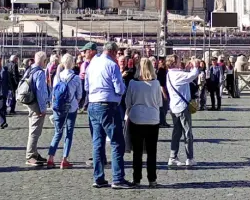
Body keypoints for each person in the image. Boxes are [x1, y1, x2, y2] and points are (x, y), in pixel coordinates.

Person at [85, 41, 131, 188]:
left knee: (97, 143)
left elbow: (86, 86)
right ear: (112, 52)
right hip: (108, 105)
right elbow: (119, 89)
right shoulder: (112, 65)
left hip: (93, 104)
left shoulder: (92, 63)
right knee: (117, 141)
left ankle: (98, 177)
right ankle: (117, 178)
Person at [124, 58, 163, 186]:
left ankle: (137, 178)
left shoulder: (132, 83)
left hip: (136, 118)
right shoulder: (156, 83)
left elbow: (128, 102)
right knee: (152, 151)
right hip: (152, 118)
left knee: (137, 151)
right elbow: (159, 102)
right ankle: (152, 179)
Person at [47, 53, 82, 168]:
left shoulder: (57, 77)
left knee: (57, 133)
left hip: (58, 108)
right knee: (69, 133)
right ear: (72, 64)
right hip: (71, 108)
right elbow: (79, 95)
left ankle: (50, 158)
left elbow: (53, 93)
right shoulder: (76, 78)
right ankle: (64, 159)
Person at [166, 55, 200, 167]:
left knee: (176, 133)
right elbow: (193, 75)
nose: (181, 62)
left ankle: (173, 156)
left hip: (173, 107)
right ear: (174, 63)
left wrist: (187, 67)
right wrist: (195, 65)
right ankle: (190, 158)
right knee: (187, 133)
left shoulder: (170, 74)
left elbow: (185, 75)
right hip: (182, 107)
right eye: (179, 61)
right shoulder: (178, 75)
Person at [24, 51, 50, 166]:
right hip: (37, 104)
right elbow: (40, 92)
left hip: (30, 102)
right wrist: (43, 108)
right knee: (35, 131)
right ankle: (30, 155)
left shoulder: (30, 69)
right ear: (44, 61)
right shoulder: (39, 73)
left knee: (33, 129)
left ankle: (34, 152)